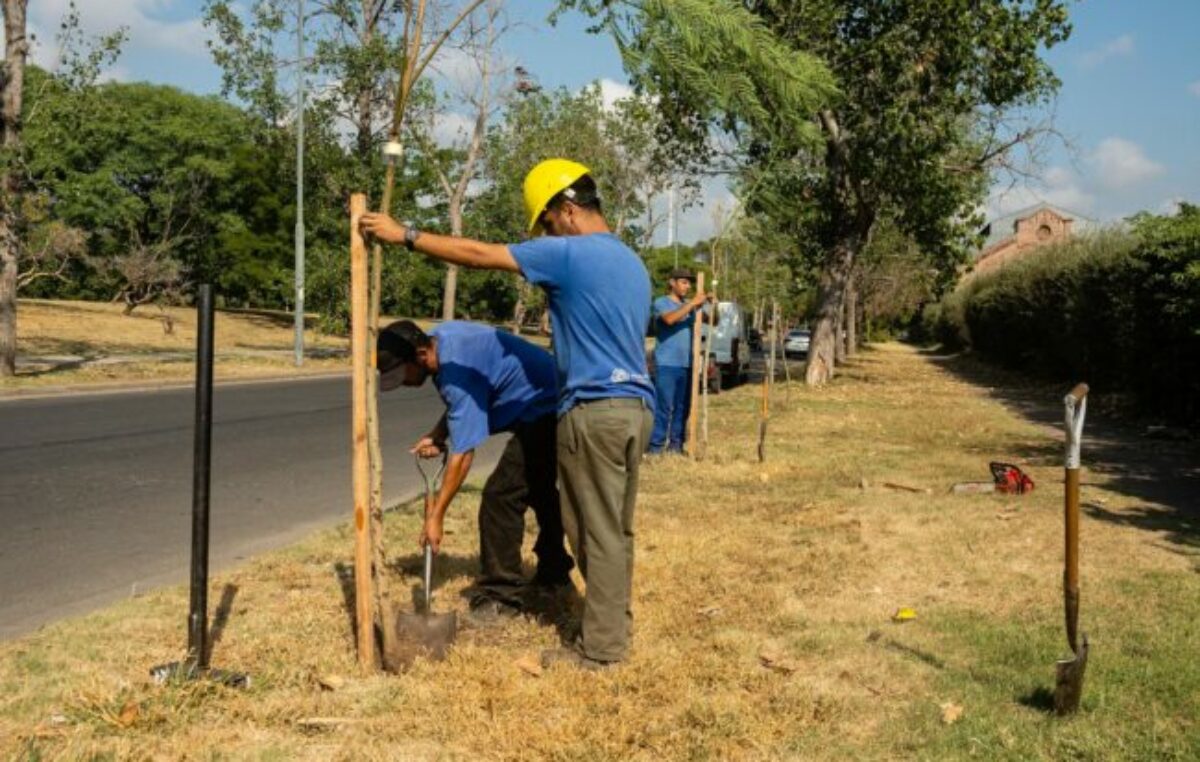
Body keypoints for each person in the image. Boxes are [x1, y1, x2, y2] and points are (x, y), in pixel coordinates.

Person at [361, 159, 654, 671]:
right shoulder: (630, 262)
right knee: (614, 530)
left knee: (591, 531)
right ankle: (613, 630)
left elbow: (477, 254)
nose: (543, 235)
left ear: (566, 210)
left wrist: (402, 234)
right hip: (635, 408)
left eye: (544, 223)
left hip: (592, 409)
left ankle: (603, 652)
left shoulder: (570, 253)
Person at [375, 319, 574, 626]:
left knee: (501, 496)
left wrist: (436, 516)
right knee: (538, 488)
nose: (400, 382)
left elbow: (464, 454)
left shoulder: (455, 372)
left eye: (401, 374)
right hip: (546, 398)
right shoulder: (443, 342)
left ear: (420, 354)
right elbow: (465, 405)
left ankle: (500, 598)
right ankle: (555, 573)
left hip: (547, 405)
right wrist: (438, 433)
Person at [649, 268, 713, 454]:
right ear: (672, 283)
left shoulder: (691, 306)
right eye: (684, 282)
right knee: (663, 406)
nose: (688, 286)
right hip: (667, 364)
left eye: (689, 283)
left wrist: (709, 304)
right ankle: (655, 447)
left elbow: (714, 320)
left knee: (683, 408)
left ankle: (676, 446)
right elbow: (669, 320)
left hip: (688, 365)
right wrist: (693, 303)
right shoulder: (661, 302)